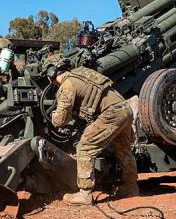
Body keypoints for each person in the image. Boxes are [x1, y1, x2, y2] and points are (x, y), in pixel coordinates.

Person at [46, 54, 140, 205]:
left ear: (51, 73)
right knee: (123, 150)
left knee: (85, 147)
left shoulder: (67, 85)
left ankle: (84, 194)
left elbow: (61, 120)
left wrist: (52, 116)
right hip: (124, 109)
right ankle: (131, 187)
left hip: (111, 113)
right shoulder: (80, 73)